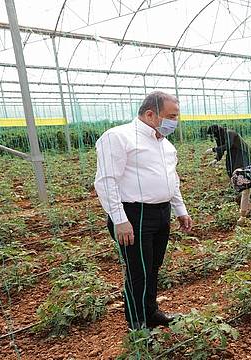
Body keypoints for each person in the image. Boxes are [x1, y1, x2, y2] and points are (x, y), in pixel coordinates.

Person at [94, 91, 193, 330]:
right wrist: (119, 219)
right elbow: (106, 181)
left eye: (177, 116)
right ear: (150, 114)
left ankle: (151, 312)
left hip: (161, 213)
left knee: (153, 266)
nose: (175, 121)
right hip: (133, 215)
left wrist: (180, 209)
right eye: (171, 116)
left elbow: (172, 179)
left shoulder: (166, 145)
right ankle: (137, 323)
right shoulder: (118, 137)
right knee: (138, 271)